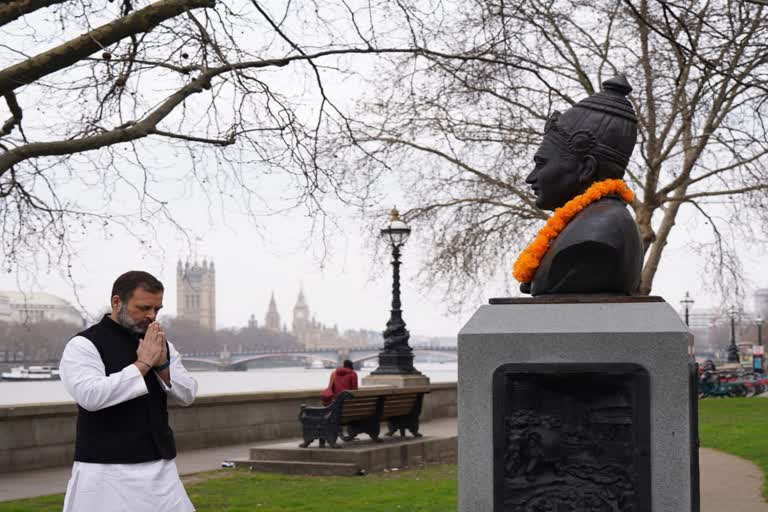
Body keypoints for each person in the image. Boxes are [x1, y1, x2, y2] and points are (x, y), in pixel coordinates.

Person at [59, 271, 198, 512]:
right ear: (117, 302)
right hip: (106, 472)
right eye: (144, 308)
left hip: (161, 471)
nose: (151, 316)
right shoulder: (83, 345)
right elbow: (91, 396)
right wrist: (142, 365)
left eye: (157, 309)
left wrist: (162, 366)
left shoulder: (160, 343)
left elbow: (187, 395)